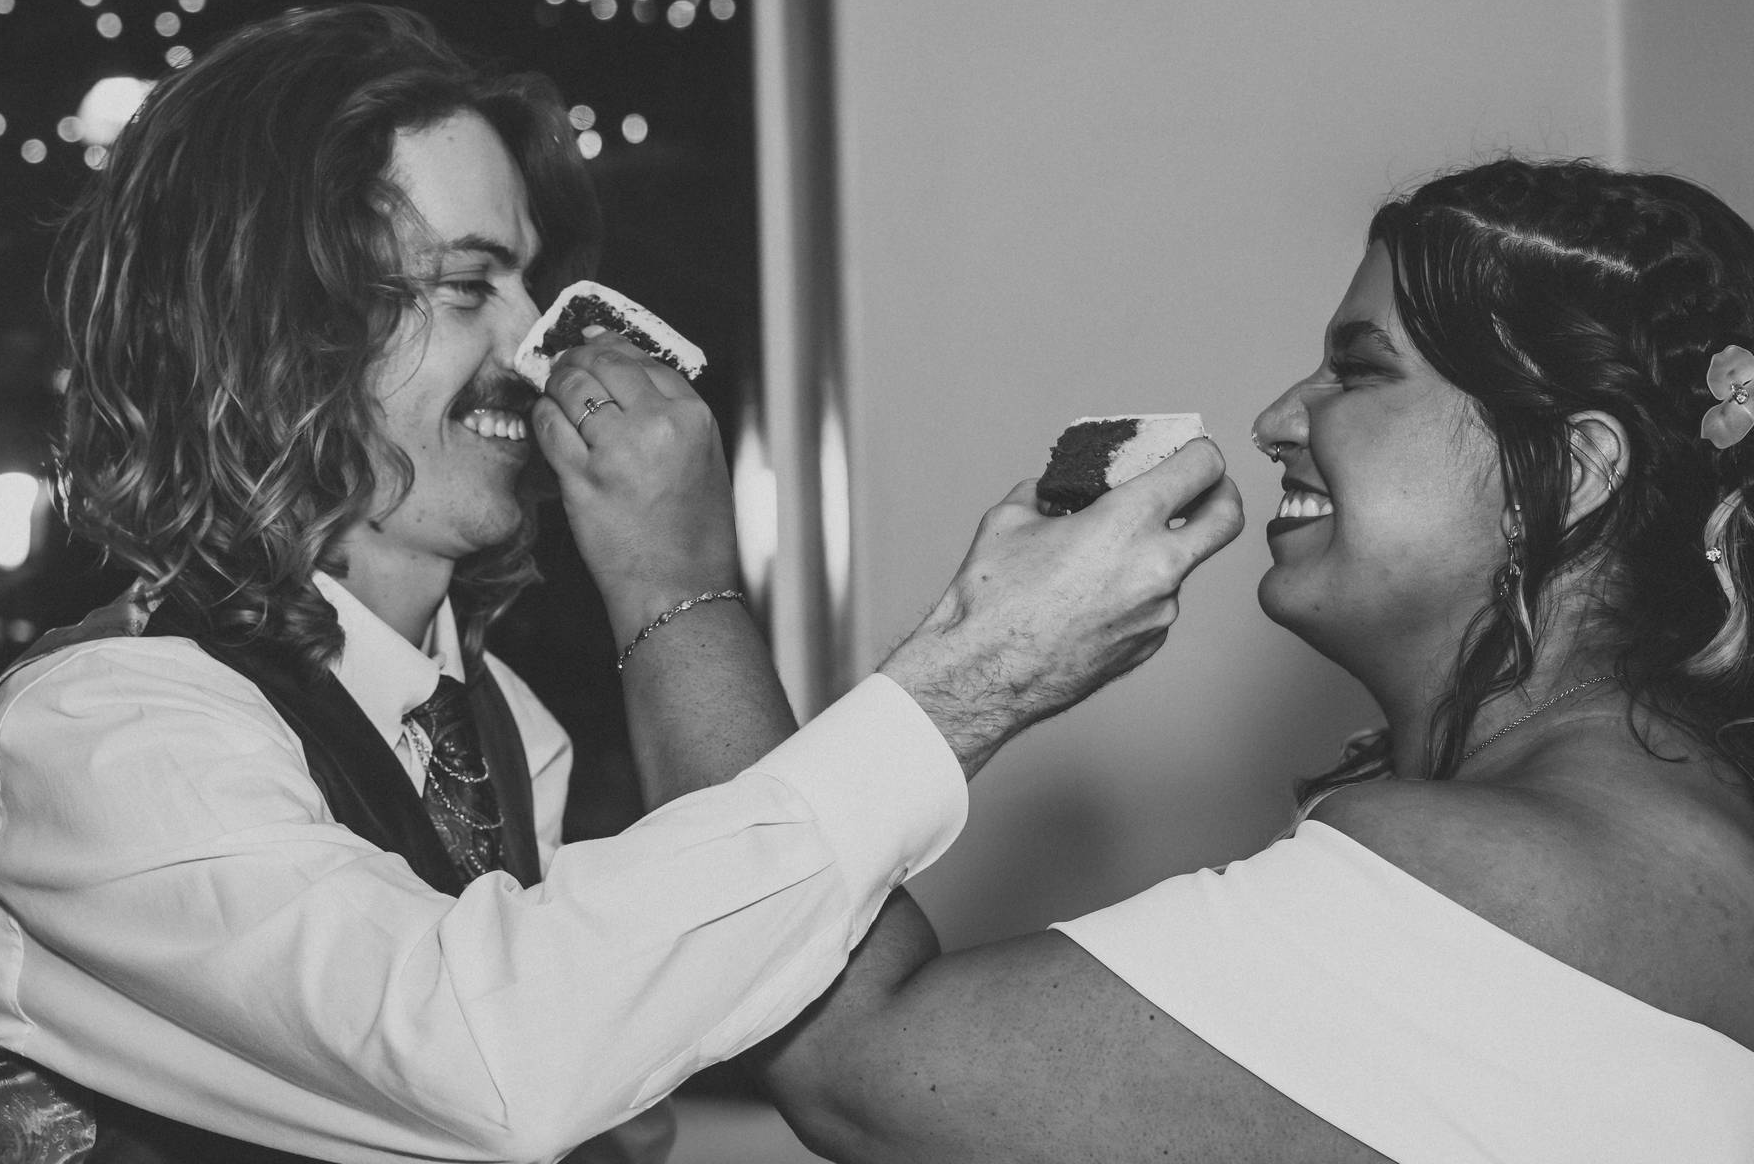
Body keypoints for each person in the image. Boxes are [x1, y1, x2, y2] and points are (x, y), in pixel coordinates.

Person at [0, 4, 1242, 1164]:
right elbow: (488, 1059)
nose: (535, 340)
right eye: (468, 284)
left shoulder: (502, 723)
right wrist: (976, 673)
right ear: (271, 324)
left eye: (525, 277)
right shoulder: (102, 735)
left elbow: (602, 1024)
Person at [744, 157, 1754, 1163]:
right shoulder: (1686, 816)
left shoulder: (1478, 864)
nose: (1276, 422)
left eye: (1360, 371)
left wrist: (696, 573)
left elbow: (851, 1067)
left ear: (1571, 474)